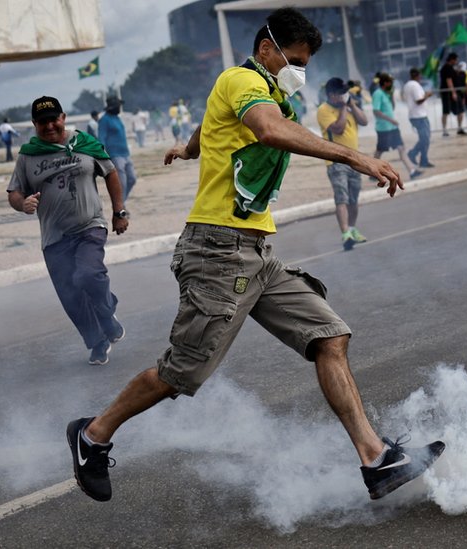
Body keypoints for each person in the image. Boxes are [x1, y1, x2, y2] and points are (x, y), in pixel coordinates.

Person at [65, 7, 444, 504]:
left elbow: (213, 124)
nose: (300, 70)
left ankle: (375, 459)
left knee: (330, 336)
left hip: (257, 254)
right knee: (181, 372)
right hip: (218, 251)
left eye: (305, 62)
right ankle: (91, 436)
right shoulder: (242, 80)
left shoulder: (266, 92)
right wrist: (355, 156)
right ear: (266, 49)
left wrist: (190, 148)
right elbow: (266, 129)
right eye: (296, 59)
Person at [7, 96, 127, 365]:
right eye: (42, 122)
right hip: (53, 237)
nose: (49, 126)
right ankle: (97, 342)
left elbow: (111, 172)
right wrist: (22, 203)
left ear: (63, 118)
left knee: (88, 274)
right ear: (34, 124)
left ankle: (107, 311)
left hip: (89, 226)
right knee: (71, 297)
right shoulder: (28, 154)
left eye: (53, 120)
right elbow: (14, 191)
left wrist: (119, 212)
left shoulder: (85, 143)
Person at [317, 77, 370, 250]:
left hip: (355, 160)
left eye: (345, 92)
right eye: (341, 93)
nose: (343, 95)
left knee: (354, 199)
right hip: (336, 160)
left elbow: (364, 121)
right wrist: (342, 109)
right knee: (342, 197)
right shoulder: (323, 110)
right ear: (332, 95)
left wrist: (352, 105)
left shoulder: (348, 106)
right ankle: (345, 233)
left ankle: (353, 229)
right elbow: (338, 128)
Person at [372, 73, 422, 180]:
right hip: (384, 128)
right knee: (380, 150)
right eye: (390, 82)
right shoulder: (378, 93)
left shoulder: (386, 94)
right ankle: (372, 171)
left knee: (401, 148)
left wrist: (391, 96)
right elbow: (376, 111)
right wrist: (391, 120)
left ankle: (412, 170)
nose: (392, 84)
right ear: (385, 83)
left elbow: (392, 108)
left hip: (393, 128)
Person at [98, 96, 138, 199]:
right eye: (118, 106)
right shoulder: (104, 120)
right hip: (115, 155)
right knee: (122, 183)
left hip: (125, 154)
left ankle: (121, 202)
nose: (120, 108)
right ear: (113, 106)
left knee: (132, 179)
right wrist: (104, 157)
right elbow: (101, 139)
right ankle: (121, 207)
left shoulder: (117, 118)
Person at [403, 68, 436, 167]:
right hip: (420, 116)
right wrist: (427, 95)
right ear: (418, 76)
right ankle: (413, 154)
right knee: (425, 139)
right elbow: (418, 100)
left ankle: (423, 160)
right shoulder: (415, 85)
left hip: (414, 115)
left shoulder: (407, 85)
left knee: (424, 138)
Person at [440, 53, 466, 137]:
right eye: (455, 60)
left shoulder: (450, 68)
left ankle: (459, 128)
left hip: (450, 92)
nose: (456, 61)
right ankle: (445, 130)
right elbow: (449, 81)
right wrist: (453, 93)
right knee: (446, 111)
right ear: (452, 59)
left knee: (459, 110)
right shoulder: (447, 68)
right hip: (448, 93)